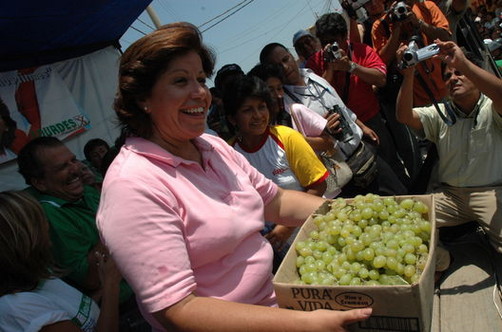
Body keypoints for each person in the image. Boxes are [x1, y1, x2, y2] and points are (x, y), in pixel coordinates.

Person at [97, 22, 372, 331]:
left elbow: (276, 200)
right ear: (142, 99)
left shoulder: (211, 146)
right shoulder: (132, 186)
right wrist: (301, 324)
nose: (199, 92)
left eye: (201, 79)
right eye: (180, 81)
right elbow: (177, 308)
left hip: (275, 302)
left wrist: (357, 213)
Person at [16, 137, 148, 331]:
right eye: (62, 167)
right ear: (40, 183)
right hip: (125, 311)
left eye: (73, 160)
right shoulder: (50, 217)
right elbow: (92, 279)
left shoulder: (85, 191)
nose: (76, 169)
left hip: (145, 288)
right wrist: (117, 219)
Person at [259, 42, 407, 197]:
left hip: (363, 153)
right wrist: (324, 131)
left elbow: (338, 104)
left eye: (285, 59)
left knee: (400, 195)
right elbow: (298, 144)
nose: (285, 67)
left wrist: (361, 126)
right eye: (277, 65)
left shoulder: (312, 76)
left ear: (291, 56)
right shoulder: (285, 105)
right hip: (342, 172)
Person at [395, 39, 502, 253]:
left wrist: (463, 64)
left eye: (458, 73)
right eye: (447, 76)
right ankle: (443, 261)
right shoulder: (440, 113)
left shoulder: (492, 107)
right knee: (402, 224)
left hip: (489, 193)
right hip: (450, 196)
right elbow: (403, 116)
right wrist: (408, 75)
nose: (453, 79)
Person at [223, 74, 328, 271]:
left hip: (313, 235)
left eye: (261, 107)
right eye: (247, 110)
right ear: (232, 118)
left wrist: (285, 229)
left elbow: (319, 184)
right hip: (272, 252)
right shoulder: (228, 155)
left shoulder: (287, 137)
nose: (258, 115)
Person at [307, 12, 410, 188]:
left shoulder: (361, 51)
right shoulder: (315, 63)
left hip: (371, 119)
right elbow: (315, 95)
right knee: (363, 174)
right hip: (342, 129)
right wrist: (330, 70)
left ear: (344, 37)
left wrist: (351, 67)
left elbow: (380, 79)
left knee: (390, 162)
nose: (328, 46)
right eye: (324, 42)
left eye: (333, 41)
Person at [0, 190, 120, 332]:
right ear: (26, 238)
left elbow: (79, 315)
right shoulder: (18, 307)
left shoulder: (39, 274)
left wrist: (104, 286)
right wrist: (112, 283)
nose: (47, 224)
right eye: (39, 220)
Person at [371, 0, 452, 107]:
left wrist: (419, 23)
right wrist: (395, 30)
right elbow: (382, 62)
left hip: (447, 87)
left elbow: (446, 37)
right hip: (417, 99)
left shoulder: (427, 6)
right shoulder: (380, 26)